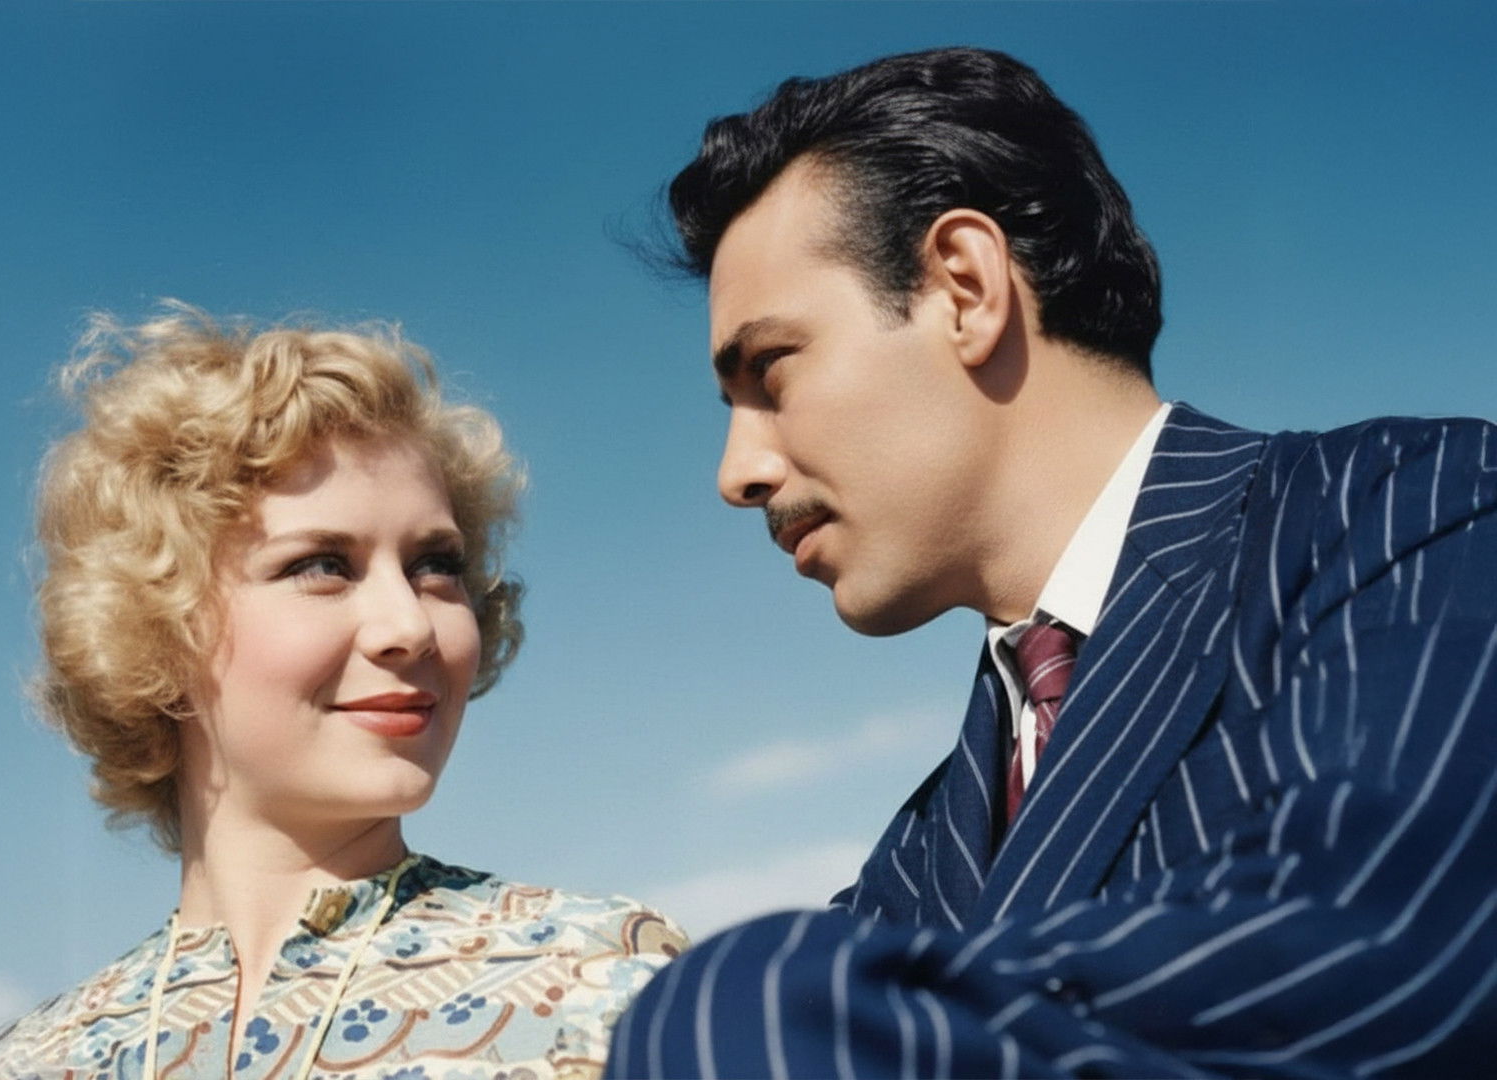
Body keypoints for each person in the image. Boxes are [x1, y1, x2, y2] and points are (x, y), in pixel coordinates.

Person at [608, 46, 1497, 1078]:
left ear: (964, 287)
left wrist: (744, 1013)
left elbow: (1393, 948)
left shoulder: (1412, 510)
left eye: (771, 371)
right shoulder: (925, 849)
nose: (737, 473)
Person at [0, 306, 684, 1080]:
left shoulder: (605, 981)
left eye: (436, 565)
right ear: (154, 620)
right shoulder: (18, 1065)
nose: (410, 626)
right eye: (322, 566)